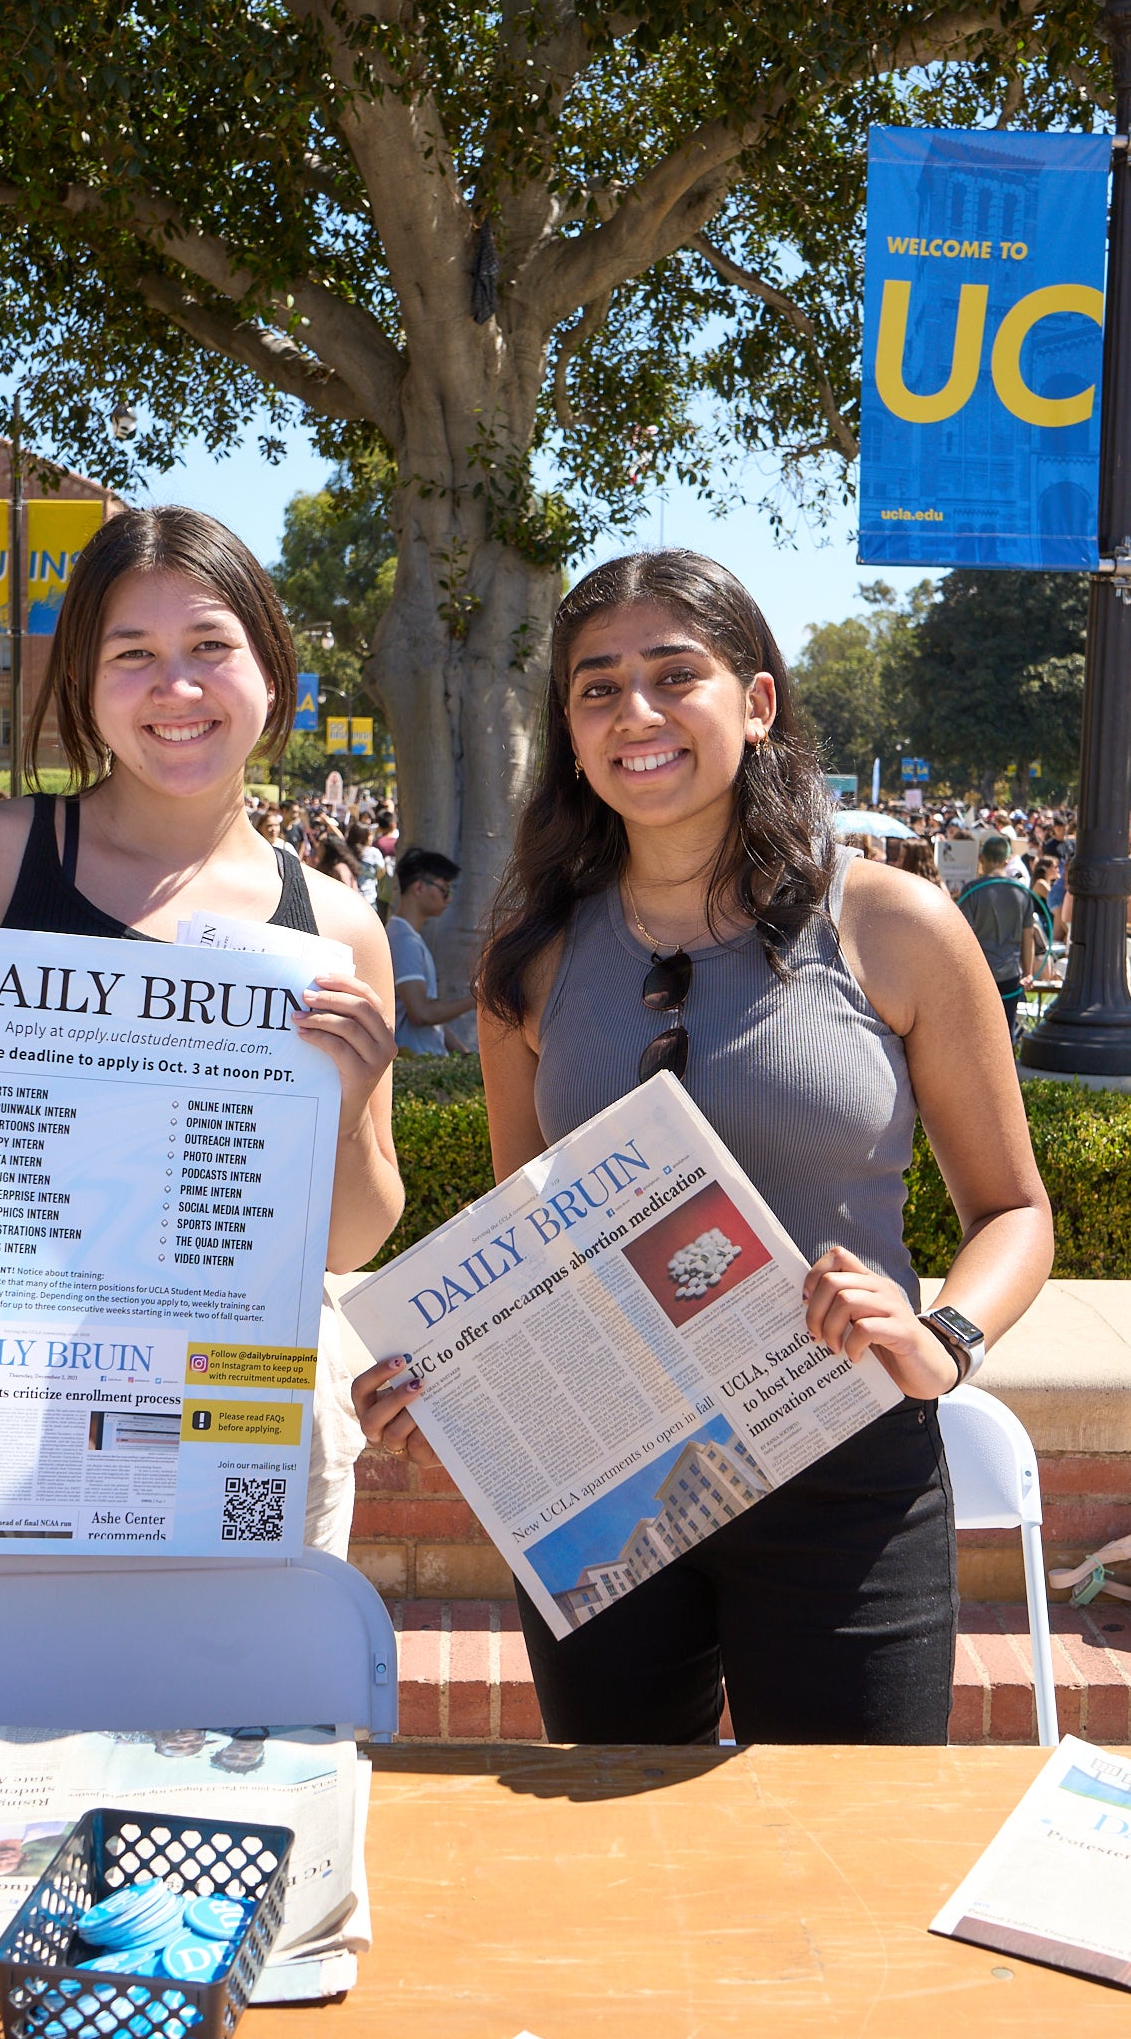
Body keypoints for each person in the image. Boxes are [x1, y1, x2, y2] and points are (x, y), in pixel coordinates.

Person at [355, 549, 1051, 1747]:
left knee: (853, 1858)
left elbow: (1015, 1208)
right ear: (570, 732)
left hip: (847, 1464)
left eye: (677, 674)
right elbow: (532, 1237)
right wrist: (450, 1376)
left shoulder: (892, 920)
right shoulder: (528, 960)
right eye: (597, 687)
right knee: (620, 1853)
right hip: (604, 1475)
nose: (637, 713)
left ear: (757, 701)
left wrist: (945, 1337)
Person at [0, 506, 403, 1591]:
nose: (174, 687)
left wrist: (341, 1103)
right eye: (131, 655)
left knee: (235, 1745)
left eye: (209, 648)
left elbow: (351, 1236)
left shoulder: (339, 928)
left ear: (271, 674)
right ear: (85, 687)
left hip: (246, 1430)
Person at [386, 847, 476, 1055]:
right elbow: (421, 1013)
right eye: (445, 889)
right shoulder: (403, 941)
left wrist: (463, 1054)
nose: (449, 898)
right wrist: (476, 1000)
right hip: (416, 1062)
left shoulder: (406, 936)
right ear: (419, 888)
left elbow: (431, 1019)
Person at [957, 835, 1040, 1039]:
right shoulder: (1021, 892)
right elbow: (1027, 936)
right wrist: (1027, 972)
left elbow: (961, 935)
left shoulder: (972, 891)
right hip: (1010, 973)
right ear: (1006, 861)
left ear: (982, 859)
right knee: (1005, 1032)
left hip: (979, 972)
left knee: (977, 1033)